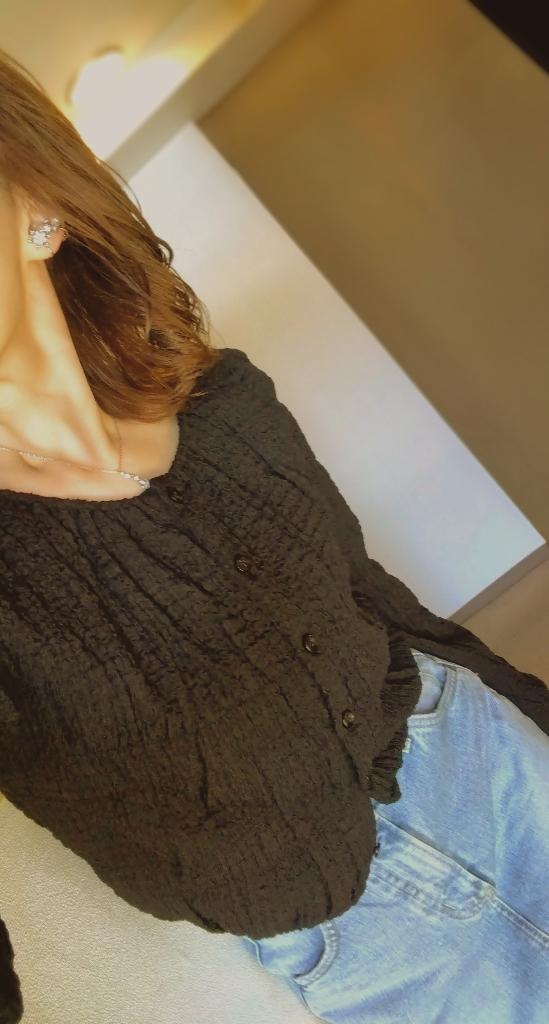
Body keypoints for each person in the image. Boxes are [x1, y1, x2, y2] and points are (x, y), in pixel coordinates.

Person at [0, 49, 548, 1024]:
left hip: (490, 757)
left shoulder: (226, 402)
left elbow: (374, 600)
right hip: (376, 949)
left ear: (36, 203)